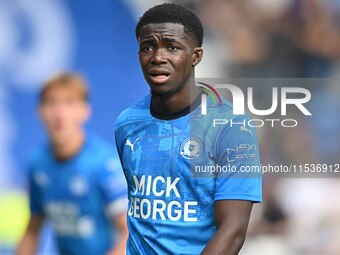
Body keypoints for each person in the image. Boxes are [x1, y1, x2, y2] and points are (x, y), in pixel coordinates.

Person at [114, 3, 262, 255]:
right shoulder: (127, 123)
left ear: (196, 56)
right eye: (147, 47)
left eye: (172, 47)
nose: (157, 57)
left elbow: (233, 230)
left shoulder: (231, 127)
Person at [16, 73, 128, 255]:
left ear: (85, 111)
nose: (59, 114)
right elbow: (33, 229)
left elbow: (129, 233)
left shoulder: (104, 164)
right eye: (51, 103)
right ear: (40, 111)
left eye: (69, 103)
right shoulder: (37, 164)